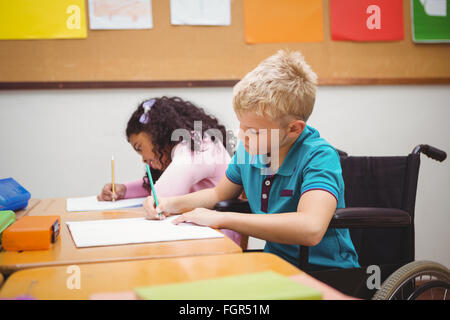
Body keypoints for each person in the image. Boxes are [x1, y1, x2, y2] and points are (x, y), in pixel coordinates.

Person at [142, 51, 360, 270]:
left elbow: (311, 228)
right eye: (241, 125)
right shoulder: (250, 151)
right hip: (275, 266)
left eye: (254, 131)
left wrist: (223, 219)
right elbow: (217, 194)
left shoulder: (319, 156)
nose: (242, 136)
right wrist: (169, 203)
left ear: (293, 128)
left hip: (327, 273)